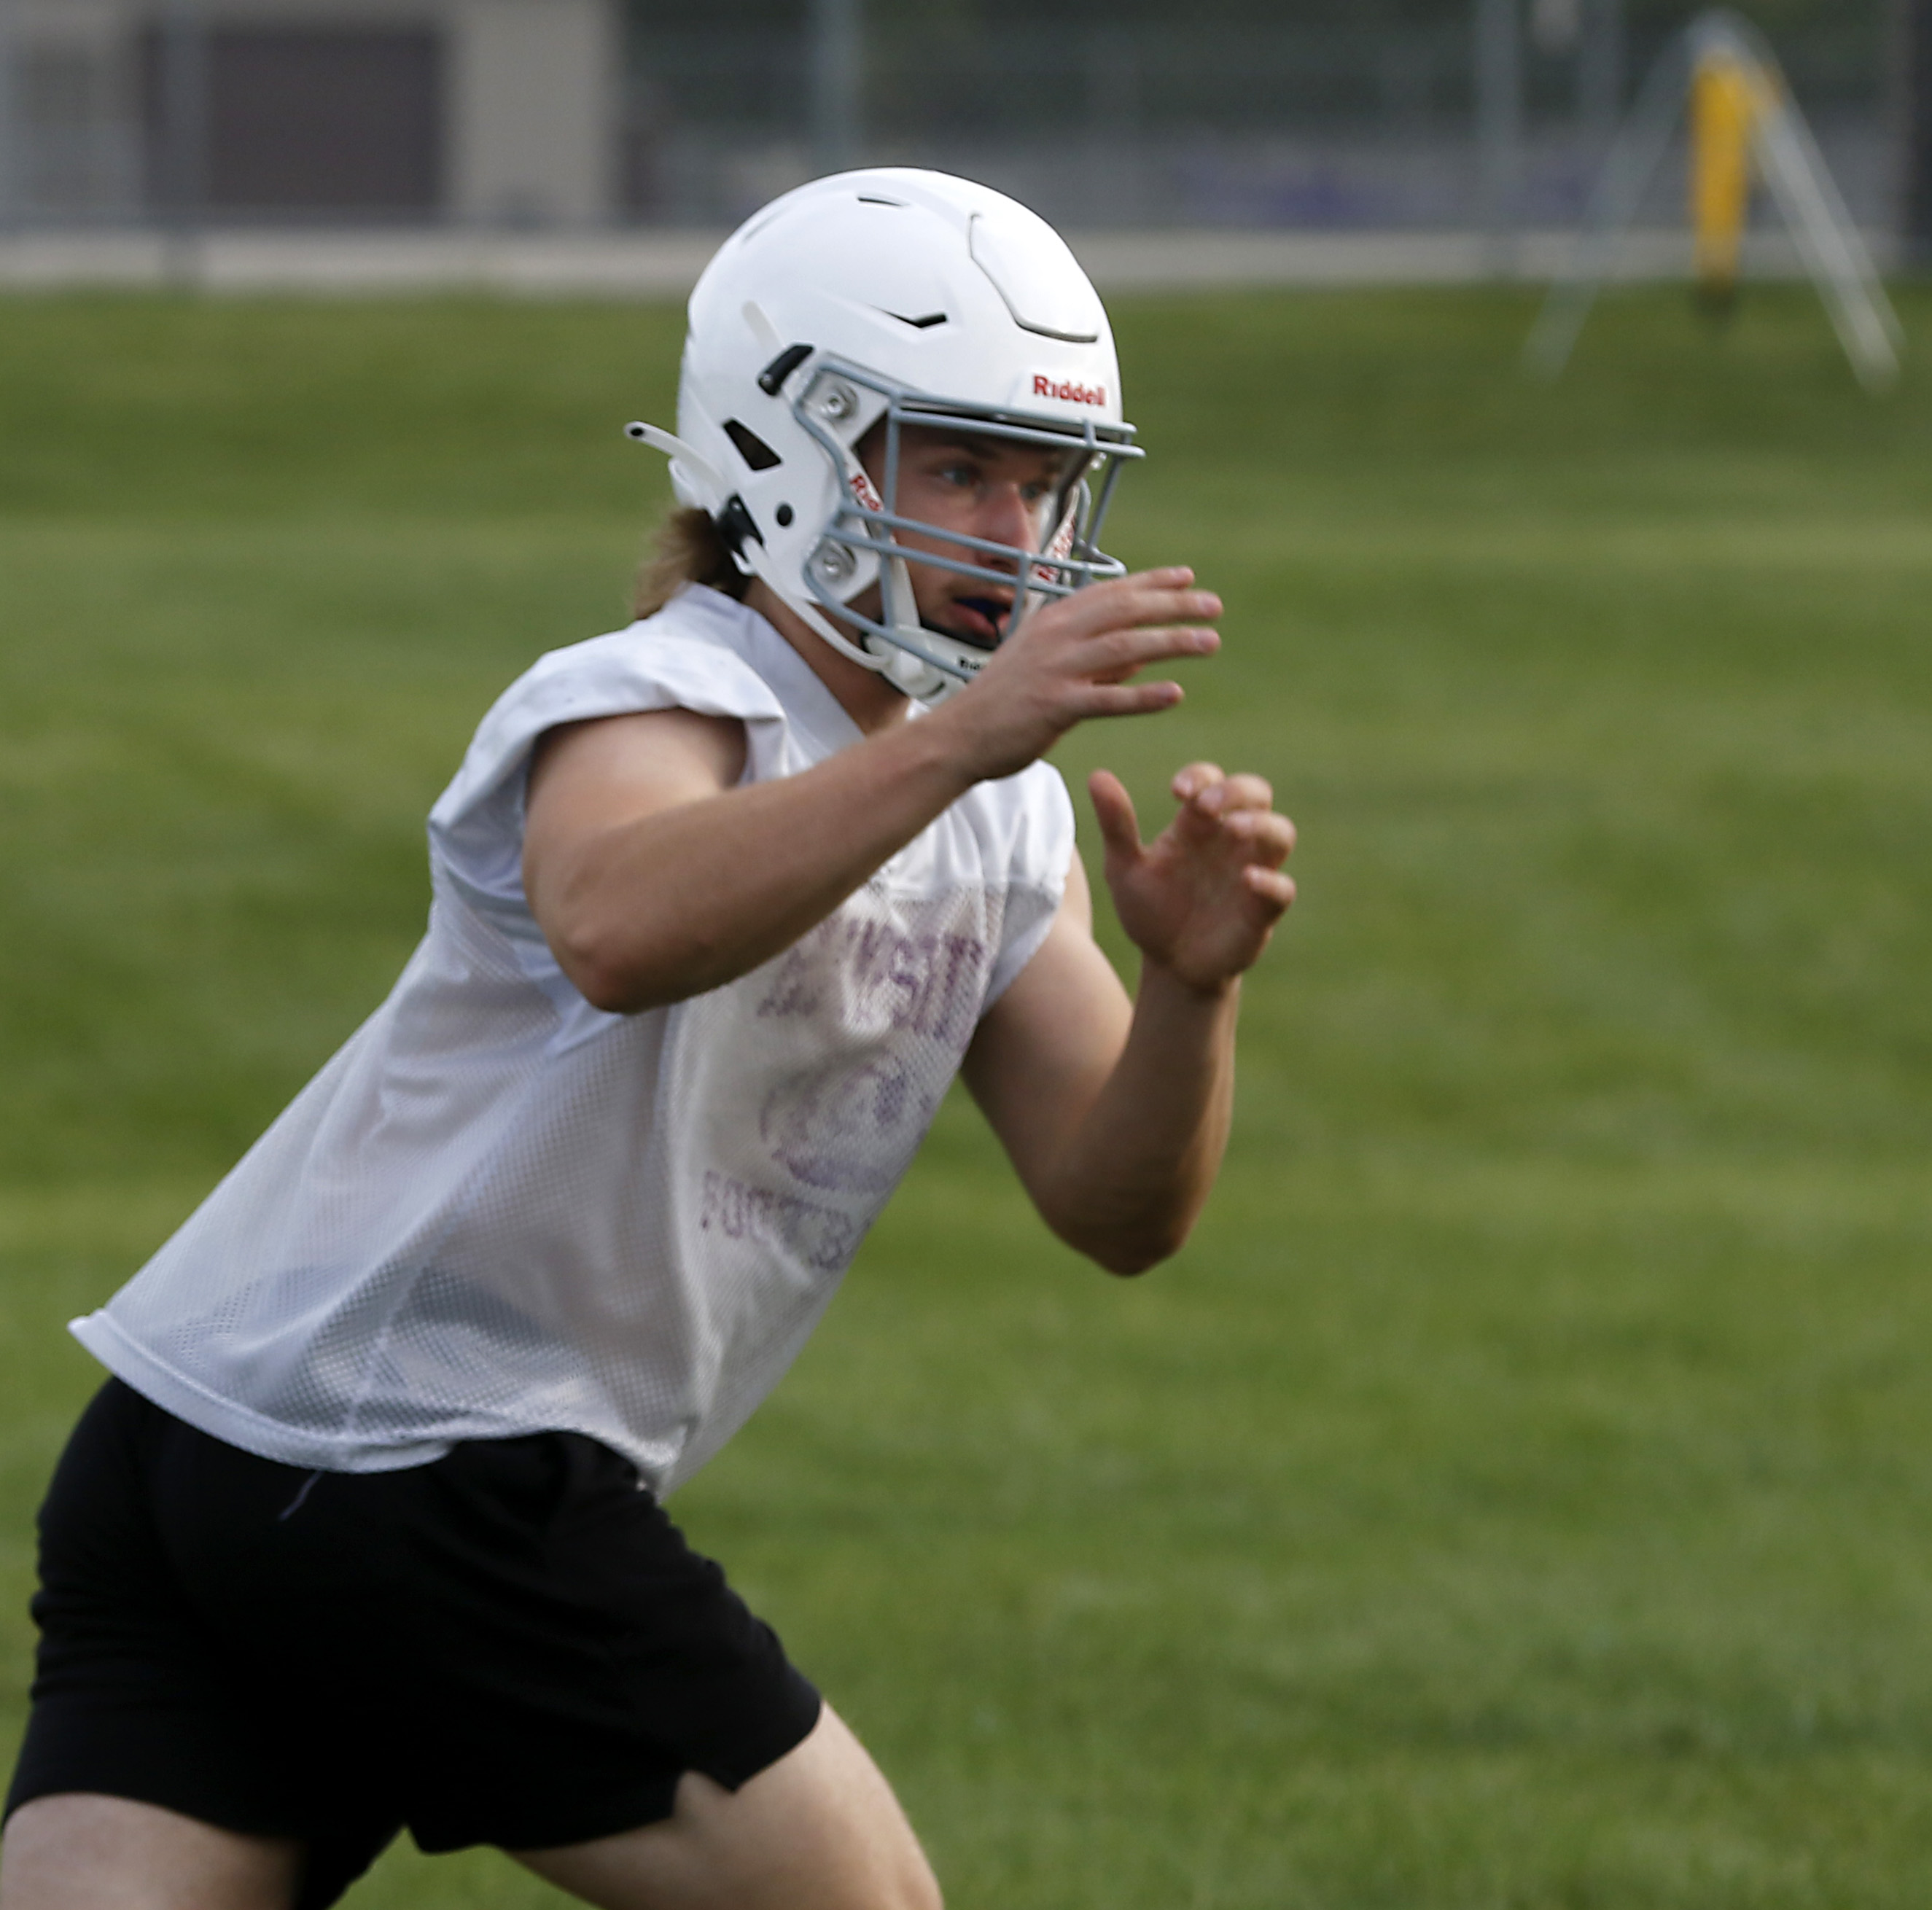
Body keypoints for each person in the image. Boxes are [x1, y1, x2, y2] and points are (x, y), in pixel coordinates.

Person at [0, 169, 1296, 1910]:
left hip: (253, 1454)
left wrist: (1195, 988)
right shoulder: (658, 690)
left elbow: (1118, 1206)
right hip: (407, 1455)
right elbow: (615, 923)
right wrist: (962, 738)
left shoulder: (997, 814)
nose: (1018, 526)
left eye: (1043, 477)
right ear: (790, 449)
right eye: (959, 467)